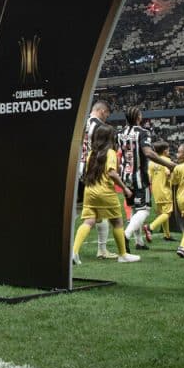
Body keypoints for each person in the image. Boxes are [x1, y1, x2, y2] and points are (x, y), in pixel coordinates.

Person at [71, 124, 140, 264]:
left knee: (88, 221)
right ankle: (123, 255)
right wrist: (125, 188)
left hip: (89, 191)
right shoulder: (110, 153)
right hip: (105, 192)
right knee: (117, 222)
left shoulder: (92, 153)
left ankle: (74, 252)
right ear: (110, 138)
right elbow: (111, 172)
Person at [119, 107, 176, 251]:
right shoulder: (143, 132)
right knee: (144, 210)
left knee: (134, 209)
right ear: (139, 117)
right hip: (139, 176)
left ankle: (139, 242)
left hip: (125, 176)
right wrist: (169, 164)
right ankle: (125, 235)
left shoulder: (120, 133)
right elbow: (148, 153)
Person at [76, 100, 118, 261]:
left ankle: (100, 249)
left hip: (79, 169)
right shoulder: (98, 126)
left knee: (81, 210)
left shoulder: (81, 122)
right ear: (102, 111)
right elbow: (99, 150)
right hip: (92, 171)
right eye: (107, 113)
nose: (107, 117)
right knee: (97, 212)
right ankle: (99, 249)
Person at [146, 141, 175, 242]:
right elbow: (168, 173)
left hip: (156, 191)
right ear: (164, 151)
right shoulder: (166, 160)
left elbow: (149, 178)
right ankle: (150, 227)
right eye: (168, 149)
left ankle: (167, 235)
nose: (169, 151)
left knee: (163, 213)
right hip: (165, 190)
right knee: (167, 213)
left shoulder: (151, 162)